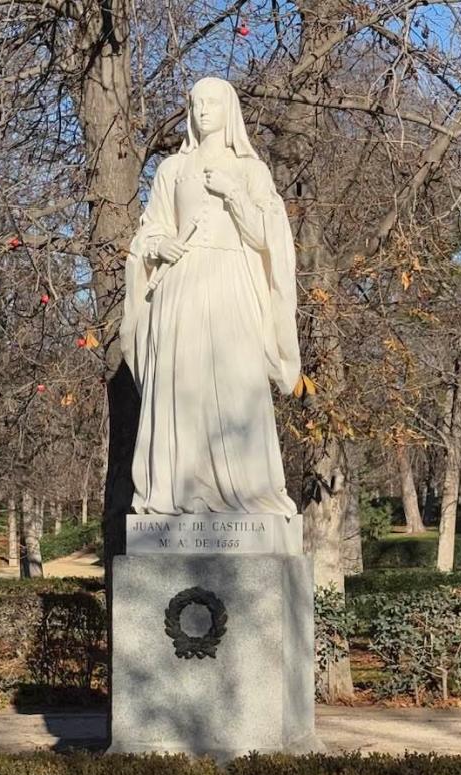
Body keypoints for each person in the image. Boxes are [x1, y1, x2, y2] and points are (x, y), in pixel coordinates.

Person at [121, 76, 300, 517]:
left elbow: (267, 237)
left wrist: (233, 193)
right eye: (197, 103)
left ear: (229, 111)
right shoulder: (172, 170)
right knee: (182, 385)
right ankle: (177, 494)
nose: (203, 111)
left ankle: (248, 492)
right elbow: (151, 230)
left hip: (231, 283)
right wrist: (159, 244)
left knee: (237, 382)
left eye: (213, 103)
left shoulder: (250, 171)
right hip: (180, 287)